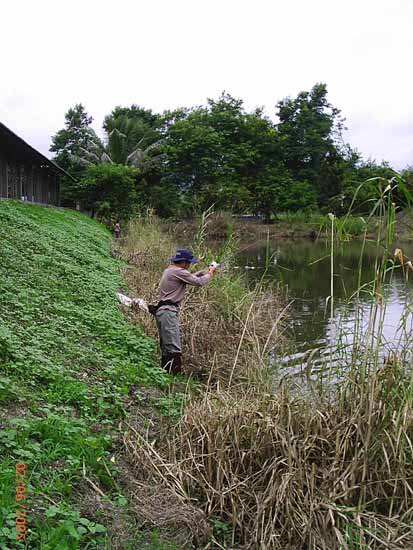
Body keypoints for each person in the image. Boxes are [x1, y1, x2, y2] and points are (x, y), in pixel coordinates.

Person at [154, 248, 216, 374]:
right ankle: (174, 379)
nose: (189, 265)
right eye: (188, 263)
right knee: (174, 349)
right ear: (183, 262)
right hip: (168, 313)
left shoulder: (170, 270)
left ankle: (165, 375)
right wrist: (210, 273)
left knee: (166, 348)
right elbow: (199, 282)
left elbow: (190, 277)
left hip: (162, 312)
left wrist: (202, 271)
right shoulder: (179, 271)